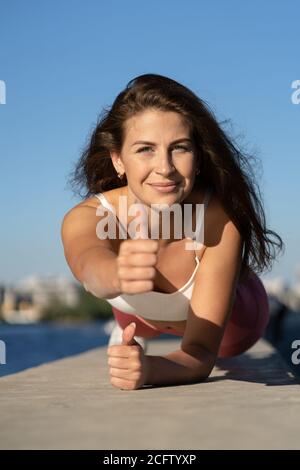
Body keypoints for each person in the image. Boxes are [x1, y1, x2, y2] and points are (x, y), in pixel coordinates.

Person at [61, 73, 284, 390]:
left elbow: (201, 353)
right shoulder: (87, 217)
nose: (164, 167)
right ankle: (133, 321)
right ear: (118, 160)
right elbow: (88, 261)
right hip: (141, 316)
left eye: (179, 148)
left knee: (232, 343)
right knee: (134, 315)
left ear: (197, 155)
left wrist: (150, 370)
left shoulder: (219, 221)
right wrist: (114, 274)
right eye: (145, 149)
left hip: (237, 320)